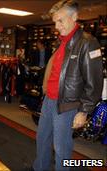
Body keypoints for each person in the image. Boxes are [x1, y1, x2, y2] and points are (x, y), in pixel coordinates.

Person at [33, 1, 103, 171]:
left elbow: (94, 82)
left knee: (61, 147)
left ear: (74, 17)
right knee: (42, 139)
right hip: (49, 100)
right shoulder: (62, 41)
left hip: (67, 104)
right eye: (55, 22)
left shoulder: (88, 43)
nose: (57, 26)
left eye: (60, 21)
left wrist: (84, 111)